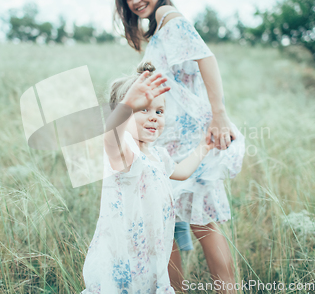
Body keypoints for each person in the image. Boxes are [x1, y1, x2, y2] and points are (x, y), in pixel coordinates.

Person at [114, 0, 246, 293]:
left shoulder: (171, 18)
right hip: (170, 141)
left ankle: (228, 290)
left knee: (202, 222)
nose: (134, 0)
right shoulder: (159, 29)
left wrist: (219, 115)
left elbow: (207, 59)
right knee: (167, 224)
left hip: (189, 140)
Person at [81, 62, 215, 293]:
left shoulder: (157, 154)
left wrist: (206, 145)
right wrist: (127, 104)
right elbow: (110, 136)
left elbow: (181, 173)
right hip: (122, 257)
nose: (154, 117)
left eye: (159, 111)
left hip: (149, 253)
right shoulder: (124, 154)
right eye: (143, 109)